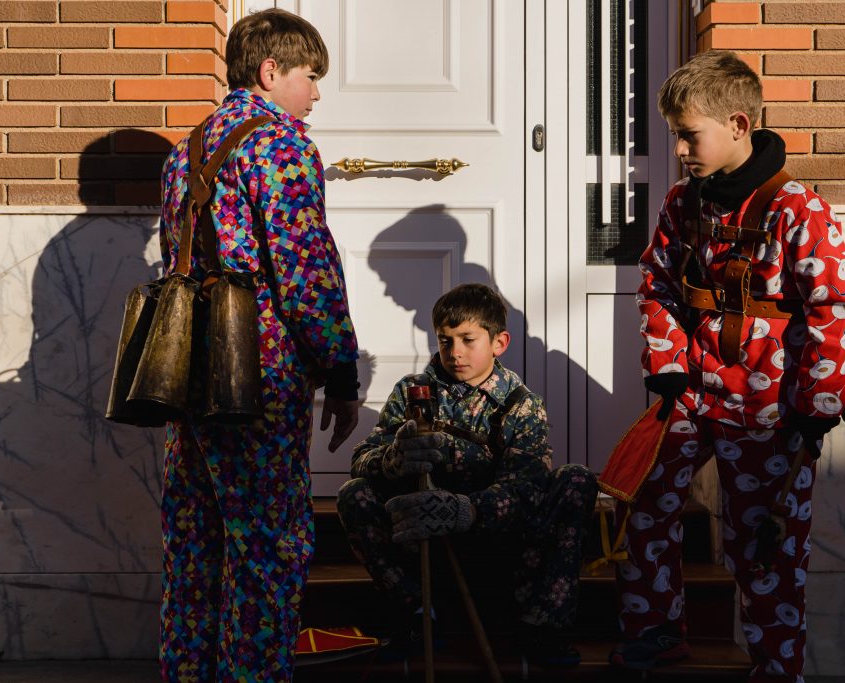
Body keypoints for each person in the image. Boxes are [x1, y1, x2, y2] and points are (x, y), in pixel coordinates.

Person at [610, 50, 845, 682]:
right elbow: (658, 286)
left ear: (739, 125)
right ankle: (658, 630)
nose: (681, 149)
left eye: (689, 135)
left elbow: (834, 310)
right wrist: (665, 365)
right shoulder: (682, 204)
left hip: (771, 407)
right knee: (641, 500)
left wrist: (817, 406)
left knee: (765, 542)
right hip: (692, 392)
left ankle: (776, 668)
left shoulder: (798, 210)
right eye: (676, 136)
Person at [157, 9, 359, 682]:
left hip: (188, 363)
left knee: (197, 535)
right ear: (271, 72)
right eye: (309, 77)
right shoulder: (280, 144)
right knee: (269, 541)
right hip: (258, 366)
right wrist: (338, 366)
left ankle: (188, 671)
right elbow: (303, 269)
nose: (316, 94)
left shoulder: (185, 150)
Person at [337, 283, 598, 667]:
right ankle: (417, 615)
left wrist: (464, 509)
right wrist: (393, 460)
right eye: (445, 340)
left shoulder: (521, 406)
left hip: (502, 549)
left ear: (499, 342)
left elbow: (526, 490)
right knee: (353, 492)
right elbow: (361, 460)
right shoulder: (413, 392)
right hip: (425, 551)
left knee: (576, 479)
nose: (454, 351)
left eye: (467, 339)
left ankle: (542, 627)